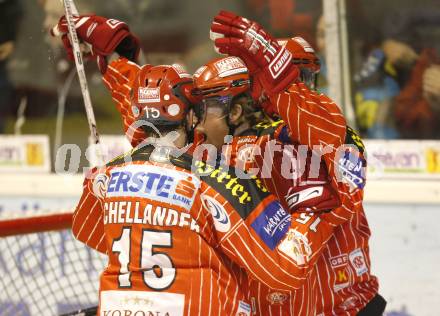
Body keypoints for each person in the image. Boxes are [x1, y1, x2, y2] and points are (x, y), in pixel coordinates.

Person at [51, 14, 346, 316]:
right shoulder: (215, 175)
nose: (202, 118)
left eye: (210, 106)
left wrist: (113, 57)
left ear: (238, 109)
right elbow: (285, 270)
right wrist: (315, 215)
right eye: (200, 106)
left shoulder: (114, 172)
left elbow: (155, 115)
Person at [197, 11, 386, 315]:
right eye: (287, 77)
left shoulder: (336, 133)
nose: (298, 87)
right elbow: (169, 143)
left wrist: (280, 77)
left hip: (348, 304)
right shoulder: (246, 138)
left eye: (304, 78)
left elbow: (318, 128)